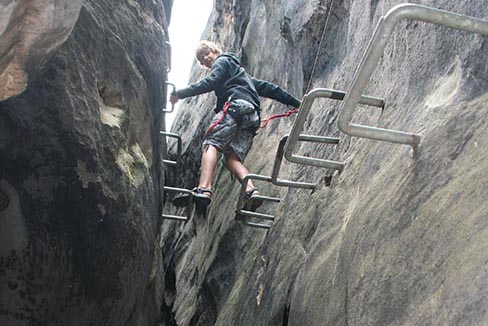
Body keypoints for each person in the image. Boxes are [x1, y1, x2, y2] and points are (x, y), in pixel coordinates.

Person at [170, 41, 301, 210]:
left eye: (207, 53)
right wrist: (297, 103)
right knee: (231, 159)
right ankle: (251, 191)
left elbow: (211, 81)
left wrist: (179, 94)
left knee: (211, 143)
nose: (206, 58)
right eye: (202, 58)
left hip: (235, 107)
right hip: (251, 118)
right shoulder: (243, 76)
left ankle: (204, 189)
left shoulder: (222, 61)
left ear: (215, 51)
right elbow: (271, 89)